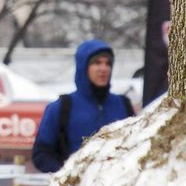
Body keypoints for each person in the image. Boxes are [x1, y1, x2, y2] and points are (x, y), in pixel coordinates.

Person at [31, 39, 135, 173]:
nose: (104, 69)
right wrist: (66, 176)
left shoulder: (123, 104)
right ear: (83, 67)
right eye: (97, 63)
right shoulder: (61, 107)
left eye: (108, 63)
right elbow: (41, 153)